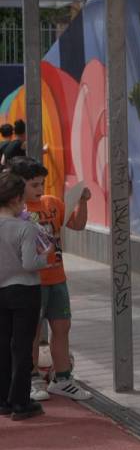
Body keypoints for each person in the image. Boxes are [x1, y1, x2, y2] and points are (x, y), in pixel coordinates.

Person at [8, 158, 91, 401]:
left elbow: (77, 224)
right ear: (18, 184)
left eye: (41, 184)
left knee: (62, 327)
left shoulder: (52, 203)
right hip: (31, 281)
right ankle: (31, 378)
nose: (40, 189)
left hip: (57, 278)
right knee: (31, 332)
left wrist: (83, 202)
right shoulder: (15, 212)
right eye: (34, 185)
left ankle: (63, 379)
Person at [0, 171, 49, 419]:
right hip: (24, 291)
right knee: (22, 347)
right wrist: (46, 257)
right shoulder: (25, 228)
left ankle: (3, 400)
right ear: (16, 199)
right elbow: (30, 263)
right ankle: (20, 401)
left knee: (2, 345)